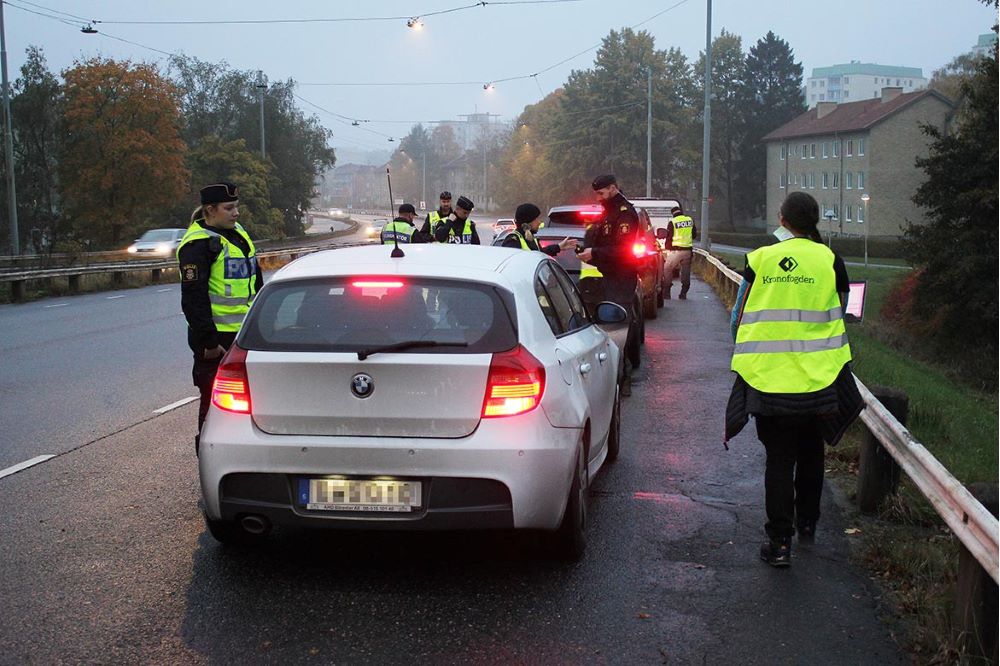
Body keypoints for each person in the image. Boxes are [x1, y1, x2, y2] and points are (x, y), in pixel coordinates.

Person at [725, 191, 863, 568]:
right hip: (820, 376)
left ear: (783, 219)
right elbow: (845, 309)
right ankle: (808, 524)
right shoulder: (831, 259)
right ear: (814, 221)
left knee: (779, 460)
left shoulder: (761, 258)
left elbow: (738, 316)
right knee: (812, 451)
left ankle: (779, 543)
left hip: (768, 378)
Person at [177, 182, 263, 456]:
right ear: (210, 210)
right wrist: (209, 343)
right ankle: (210, 465)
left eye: (236, 206)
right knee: (214, 408)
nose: (236, 213)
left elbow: (255, 284)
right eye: (229, 208)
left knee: (251, 404)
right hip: (217, 341)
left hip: (246, 335)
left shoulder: (236, 234)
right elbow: (194, 298)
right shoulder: (197, 245)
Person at [577, 174, 642, 393]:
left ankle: (623, 378)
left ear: (613, 188)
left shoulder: (625, 214)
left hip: (621, 277)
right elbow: (600, 240)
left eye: (601, 193)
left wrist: (594, 252)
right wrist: (585, 248)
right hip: (605, 277)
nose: (598, 198)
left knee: (619, 326)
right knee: (606, 325)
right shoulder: (609, 213)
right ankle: (613, 374)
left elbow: (623, 250)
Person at [501, 203, 576, 255]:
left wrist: (559, 247)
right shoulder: (513, 240)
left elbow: (540, 255)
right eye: (536, 219)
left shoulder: (530, 238)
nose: (539, 222)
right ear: (529, 222)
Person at [662, 205, 697, 299]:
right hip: (688, 251)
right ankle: (683, 293)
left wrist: (667, 248)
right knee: (685, 272)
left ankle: (667, 292)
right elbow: (694, 235)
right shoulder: (690, 220)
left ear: (673, 214)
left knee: (667, 268)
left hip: (676, 251)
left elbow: (669, 238)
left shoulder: (673, 222)